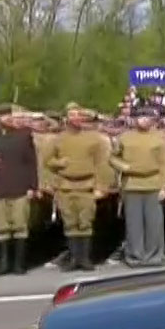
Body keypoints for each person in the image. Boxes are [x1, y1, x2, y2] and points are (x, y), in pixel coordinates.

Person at [0, 105, 41, 275]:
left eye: (10, 114)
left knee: (20, 226)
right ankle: (4, 263)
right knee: (1, 228)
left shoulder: (23, 135)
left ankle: (19, 264)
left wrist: (32, 186)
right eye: (4, 115)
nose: (9, 118)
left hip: (19, 187)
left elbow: (31, 163)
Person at [47, 104, 111, 270]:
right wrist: (59, 163)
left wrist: (101, 186)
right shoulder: (57, 139)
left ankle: (85, 258)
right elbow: (47, 162)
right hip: (66, 187)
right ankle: (74, 258)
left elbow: (101, 164)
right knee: (70, 224)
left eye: (79, 115)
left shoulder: (94, 139)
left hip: (87, 187)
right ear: (66, 118)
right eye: (72, 115)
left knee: (85, 223)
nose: (76, 118)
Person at [113, 106, 165, 267]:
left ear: (153, 120)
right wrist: (123, 166)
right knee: (133, 224)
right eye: (140, 117)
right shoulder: (124, 138)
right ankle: (134, 255)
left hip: (153, 183)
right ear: (134, 119)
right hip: (132, 184)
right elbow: (112, 158)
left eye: (147, 117)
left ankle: (154, 255)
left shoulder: (160, 138)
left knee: (154, 223)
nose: (144, 120)